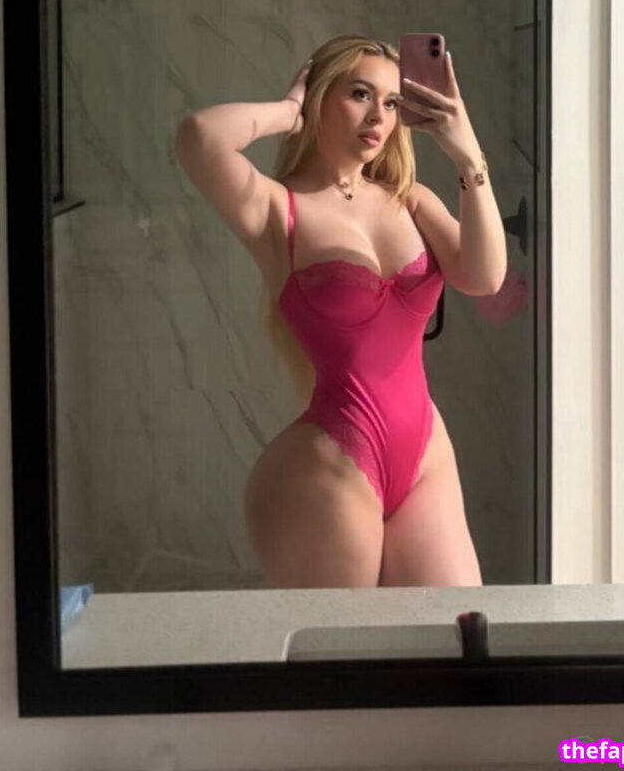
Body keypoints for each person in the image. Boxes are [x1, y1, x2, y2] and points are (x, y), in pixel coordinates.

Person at [174, 35, 506, 588]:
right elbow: (199, 137)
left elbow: (485, 275)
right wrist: (287, 113)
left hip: (425, 455)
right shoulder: (277, 209)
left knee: (456, 632)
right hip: (334, 465)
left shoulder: (410, 200)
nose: (379, 116)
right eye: (360, 94)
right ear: (321, 98)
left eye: (392, 102)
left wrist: (468, 153)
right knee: (345, 640)